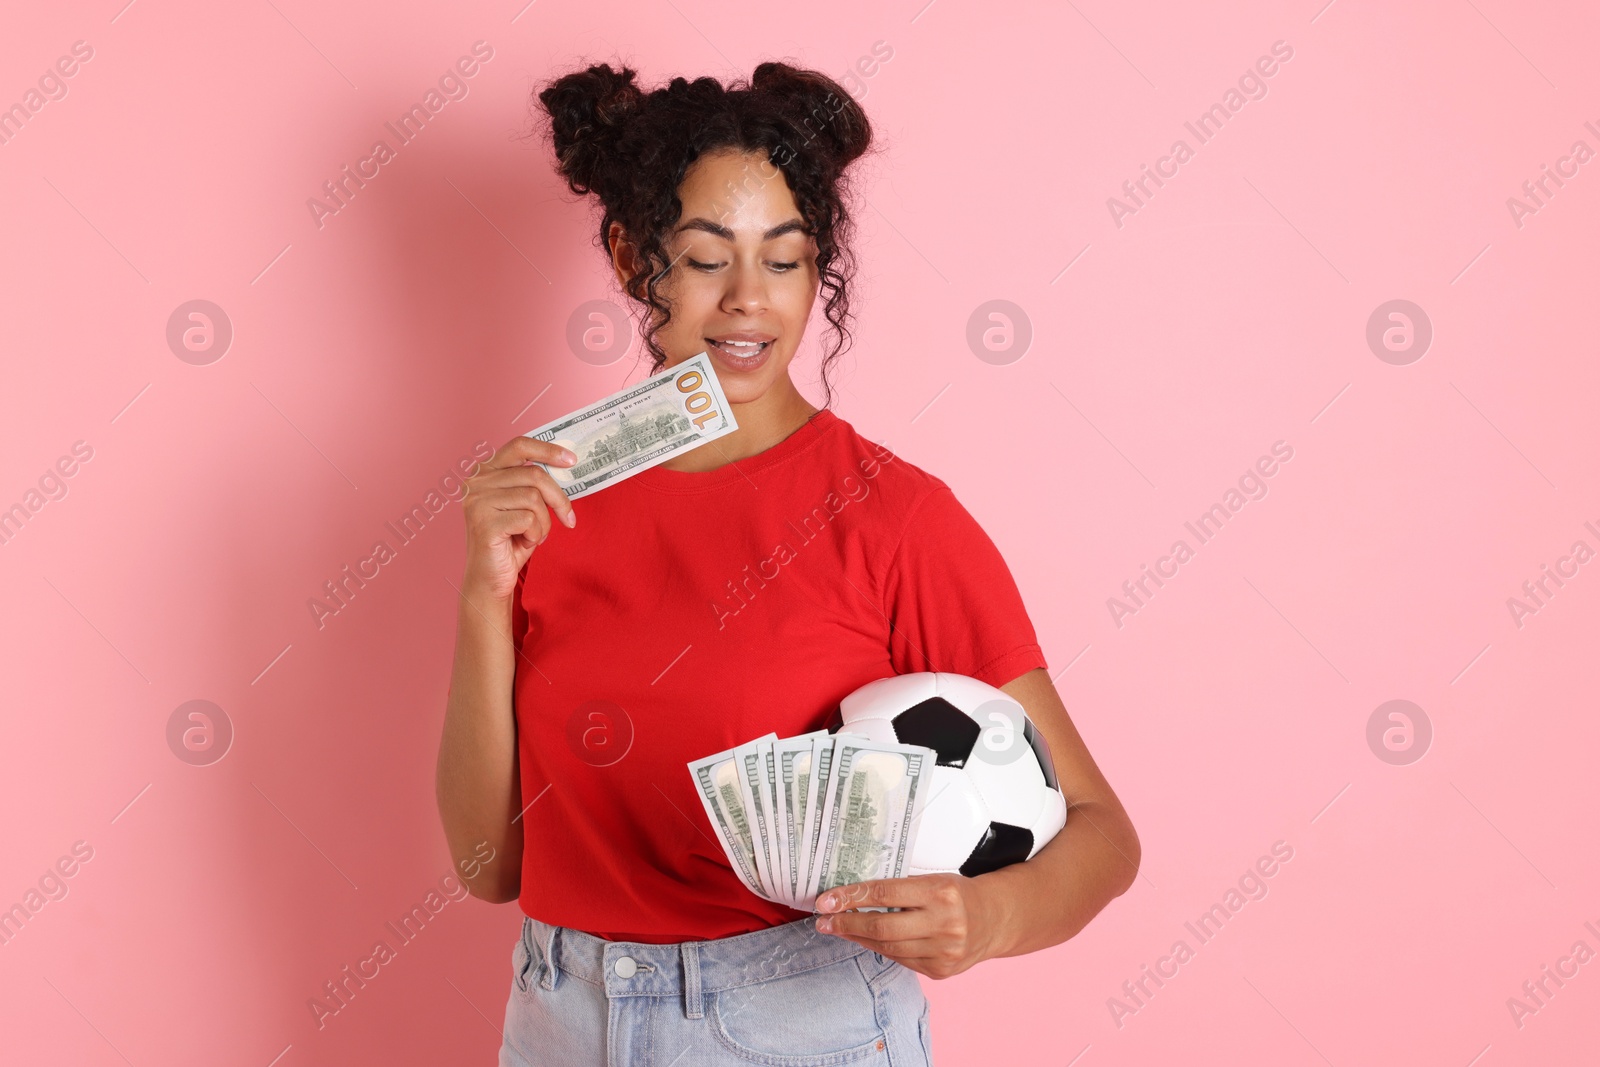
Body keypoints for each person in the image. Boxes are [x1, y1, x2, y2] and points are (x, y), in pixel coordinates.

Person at [435, 60, 1140, 1066]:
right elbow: (487, 865)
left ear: (820, 270)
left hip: (793, 1020)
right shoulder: (549, 499)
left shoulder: (895, 519)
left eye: (783, 260)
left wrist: (987, 916)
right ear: (634, 254)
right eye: (704, 257)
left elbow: (1101, 829)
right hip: (557, 1013)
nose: (746, 303)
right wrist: (481, 593)